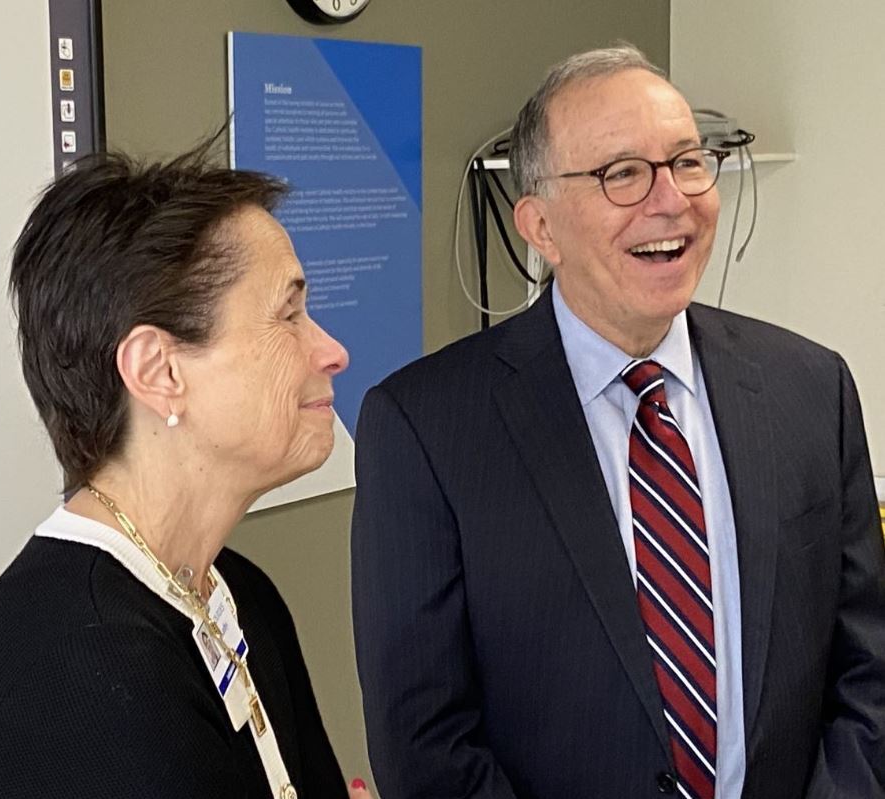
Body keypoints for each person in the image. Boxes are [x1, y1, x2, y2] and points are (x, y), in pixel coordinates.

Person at [351, 45, 885, 799]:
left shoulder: (812, 388)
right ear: (538, 224)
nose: (671, 200)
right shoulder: (426, 427)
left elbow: (868, 672)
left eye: (687, 162)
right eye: (621, 173)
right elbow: (425, 741)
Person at [0, 137, 373, 799]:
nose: (333, 351)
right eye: (288, 313)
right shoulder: (76, 668)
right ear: (159, 370)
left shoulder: (238, 592)